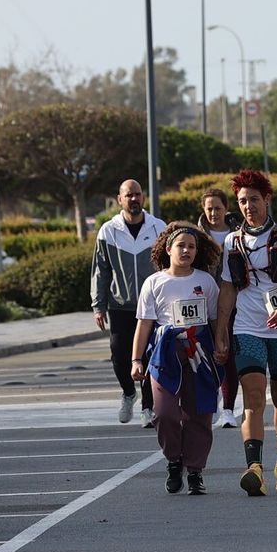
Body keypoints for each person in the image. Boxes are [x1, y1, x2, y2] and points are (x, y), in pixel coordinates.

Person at [213, 169, 277, 496]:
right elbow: (227, 289)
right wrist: (221, 332)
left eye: (254, 199)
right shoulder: (231, 241)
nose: (248, 206)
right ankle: (254, 468)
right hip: (248, 329)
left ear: (266, 199)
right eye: (242, 201)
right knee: (253, 399)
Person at [131, 223, 223, 496]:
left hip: (199, 352)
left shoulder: (205, 281)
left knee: (199, 414)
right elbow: (144, 325)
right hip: (165, 354)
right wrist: (136, 360)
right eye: (181, 246)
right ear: (168, 249)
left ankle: (195, 471)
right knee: (165, 413)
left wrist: (221, 344)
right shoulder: (154, 282)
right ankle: (174, 460)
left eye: (191, 247)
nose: (186, 251)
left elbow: (217, 319)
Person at [91, 179, 168, 427]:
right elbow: (100, 271)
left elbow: (169, 267)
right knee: (119, 355)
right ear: (119, 199)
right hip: (120, 305)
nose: (134, 199)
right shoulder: (108, 231)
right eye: (129, 195)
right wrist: (98, 304)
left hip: (152, 306)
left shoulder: (159, 228)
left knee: (148, 357)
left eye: (137, 194)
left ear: (142, 197)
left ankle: (148, 408)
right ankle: (128, 392)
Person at [198, 187, 242, 430]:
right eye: (209, 208)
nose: (214, 212)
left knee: (228, 356)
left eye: (218, 208)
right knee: (206, 356)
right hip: (202, 304)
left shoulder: (239, 234)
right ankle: (209, 400)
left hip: (233, 303)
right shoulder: (196, 235)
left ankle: (227, 410)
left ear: (226, 208)